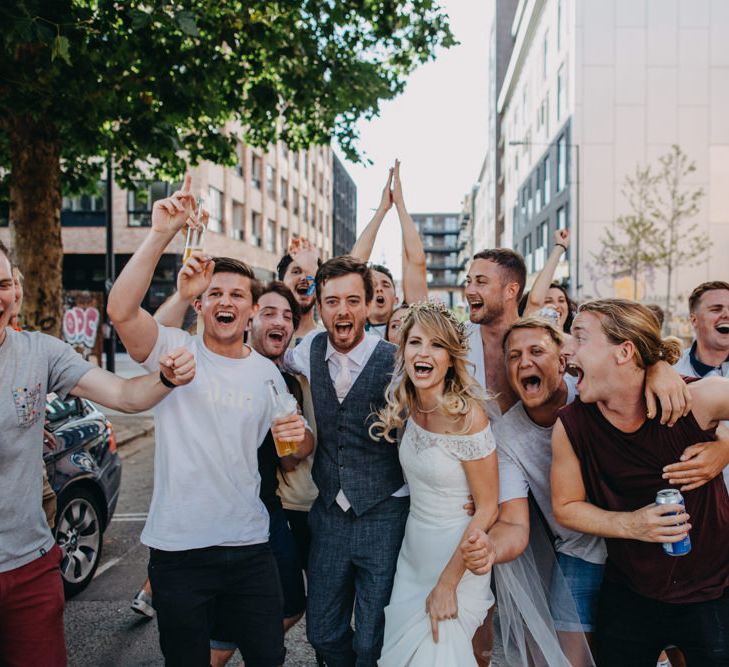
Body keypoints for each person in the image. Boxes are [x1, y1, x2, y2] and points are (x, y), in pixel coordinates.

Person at [108, 175, 308, 667]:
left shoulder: (267, 374)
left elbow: (293, 451)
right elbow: (120, 311)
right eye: (215, 293)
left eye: (237, 295)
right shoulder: (175, 349)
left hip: (249, 547)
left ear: (251, 311)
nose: (226, 302)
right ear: (200, 304)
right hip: (179, 551)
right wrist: (161, 235)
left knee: (268, 657)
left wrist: (297, 438)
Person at [0, 240, 197, 667]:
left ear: (14, 291)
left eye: (2, 285)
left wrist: (165, 379)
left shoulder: (39, 352)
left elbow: (124, 393)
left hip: (30, 567)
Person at [552, 298, 729, 666]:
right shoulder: (571, 425)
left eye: (580, 337)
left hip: (712, 591)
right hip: (630, 591)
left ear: (624, 351)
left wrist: (727, 447)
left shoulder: (695, 400)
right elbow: (566, 507)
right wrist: (631, 524)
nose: (567, 349)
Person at [283, 255, 408, 666]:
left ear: (369, 304)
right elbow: (265, 354)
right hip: (329, 518)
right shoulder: (306, 351)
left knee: (373, 638)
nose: (342, 310)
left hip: (384, 514)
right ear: (318, 306)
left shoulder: (396, 361)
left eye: (353, 300)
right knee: (321, 631)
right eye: (332, 301)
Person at [374, 301, 499, 665]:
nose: (423, 352)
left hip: (457, 556)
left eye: (436, 344)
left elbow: (488, 506)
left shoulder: (467, 416)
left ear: (451, 357)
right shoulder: (410, 404)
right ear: (404, 351)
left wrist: (448, 583)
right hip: (413, 553)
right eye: (415, 342)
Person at [351, 160, 427, 337]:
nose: (378, 289)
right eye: (372, 285)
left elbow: (417, 262)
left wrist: (400, 204)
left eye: (385, 285)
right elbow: (352, 266)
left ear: (396, 298)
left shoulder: (410, 321)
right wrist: (382, 210)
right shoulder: (354, 326)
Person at [521, 229, 575, 333]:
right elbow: (535, 301)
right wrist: (560, 246)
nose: (556, 306)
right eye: (548, 301)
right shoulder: (531, 336)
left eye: (561, 300)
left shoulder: (575, 343)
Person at [277, 238, 322, 343]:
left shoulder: (329, 339)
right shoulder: (267, 338)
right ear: (281, 283)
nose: (304, 278)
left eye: (310, 273)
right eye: (296, 271)